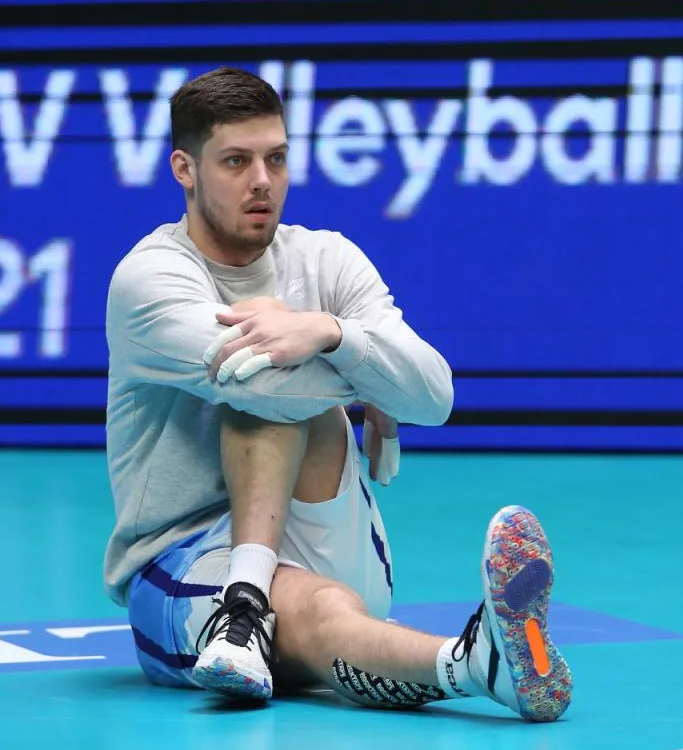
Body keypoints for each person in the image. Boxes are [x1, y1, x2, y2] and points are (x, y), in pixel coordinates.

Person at [102, 66, 573, 722]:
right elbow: (261, 384)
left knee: (293, 376)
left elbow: (434, 397)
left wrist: (331, 333)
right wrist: (368, 379)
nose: (262, 180)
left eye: (276, 158)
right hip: (184, 561)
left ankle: (266, 612)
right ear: (185, 169)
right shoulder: (151, 280)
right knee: (261, 386)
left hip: (329, 528)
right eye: (236, 162)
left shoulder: (327, 259)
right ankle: (474, 664)